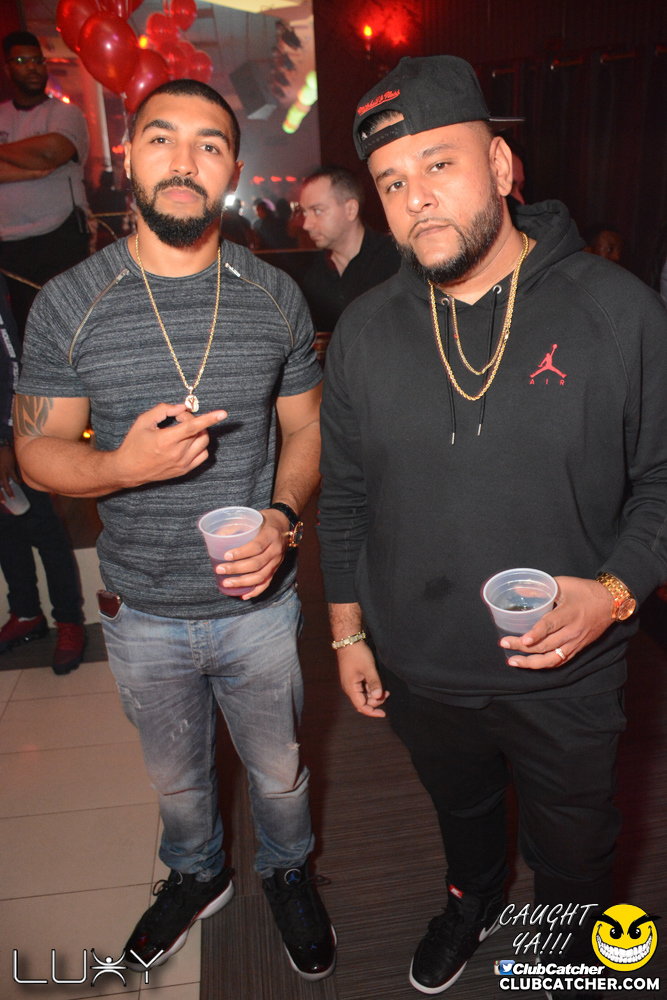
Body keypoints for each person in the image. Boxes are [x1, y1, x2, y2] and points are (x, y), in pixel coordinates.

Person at [317, 55, 667, 996]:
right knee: (463, 813)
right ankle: (469, 901)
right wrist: (347, 631)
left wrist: (615, 593)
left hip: (568, 671)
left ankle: (560, 960)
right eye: (392, 181)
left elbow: (661, 482)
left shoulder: (619, 312)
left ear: (502, 167)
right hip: (421, 667)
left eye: (440, 164)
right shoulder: (363, 332)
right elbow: (343, 495)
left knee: (574, 854)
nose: (417, 198)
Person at [14, 78, 335, 982]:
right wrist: (121, 466)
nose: (185, 161)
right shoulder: (70, 300)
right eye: (162, 138)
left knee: (278, 770)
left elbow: (307, 427)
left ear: (233, 169)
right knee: (177, 778)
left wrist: (282, 518)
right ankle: (197, 875)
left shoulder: (274, 295)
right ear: (128, 158)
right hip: (142, 607)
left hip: (258, 604)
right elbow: (35, 452)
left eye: (209, 144)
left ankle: (286, 870)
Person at [0, 273, 85, 674]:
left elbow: (12, 363)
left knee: (43, 529)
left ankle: (69, 621)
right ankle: (26, 613)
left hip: (12, 435)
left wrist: (7, 439)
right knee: (5, 532)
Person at [0, 31, 91, 336]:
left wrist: (33, 159)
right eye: (22, 60)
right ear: (7, 68)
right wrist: (32, 169)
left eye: (38, 60)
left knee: (70, 330)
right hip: (8, 246)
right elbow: (41, 160)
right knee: (24, 335)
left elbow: (51, 153)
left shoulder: (65, 114)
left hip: (60, 237)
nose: (32, 67)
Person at [300, 165, 400, 332]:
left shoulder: (395, 262)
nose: (306, 224)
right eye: (304, 213)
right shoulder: (314, 277)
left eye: (317, 211)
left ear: (351, 210)